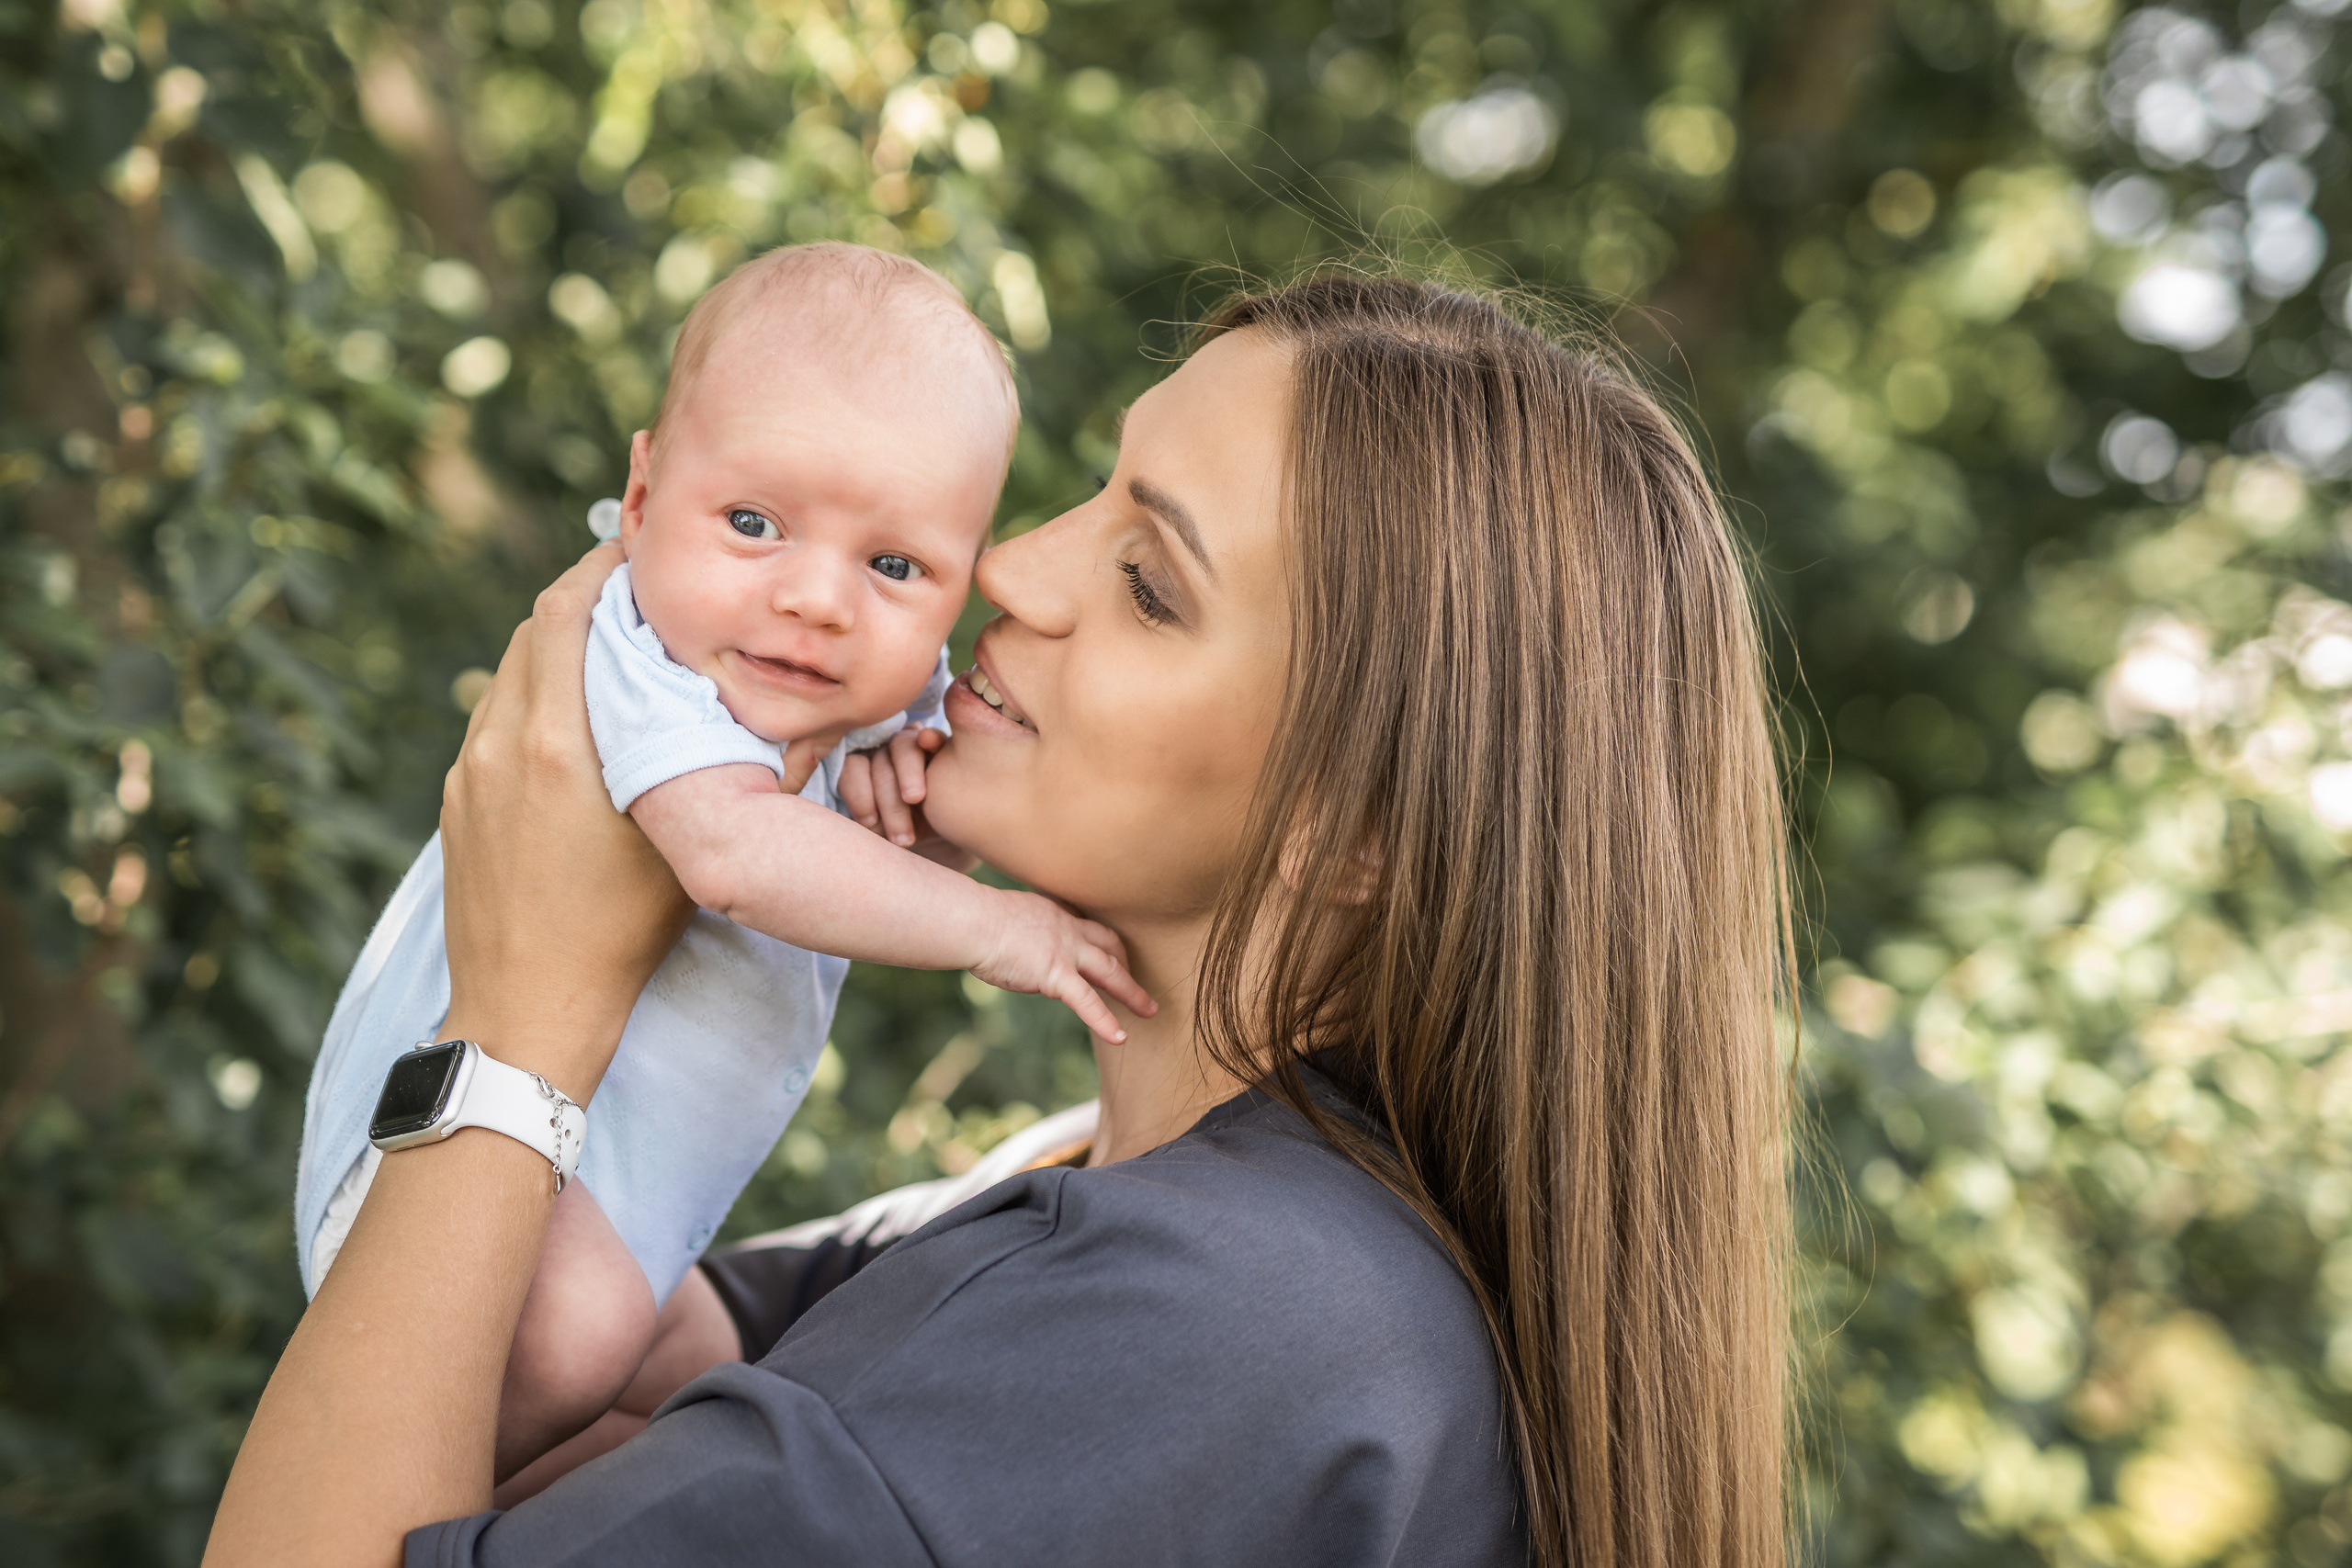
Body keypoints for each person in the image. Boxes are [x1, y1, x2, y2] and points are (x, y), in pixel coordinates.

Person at [206, 272, 1794, 1568]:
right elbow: (633, 1352)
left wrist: (521, 1018)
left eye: (1152, 583)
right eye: (1086, 496)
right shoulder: (1106, 1216)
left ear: (1360, 831)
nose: (1013, 572)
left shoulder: (1185, 1340)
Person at [290, 242, 1148, 1487]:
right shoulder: (638, 655)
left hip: (613, 1188)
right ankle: (366, 1496)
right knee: (581, 1341)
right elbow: (739, 855)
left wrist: (919, 808)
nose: (816, 596)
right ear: (641, 496)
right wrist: (999, 927)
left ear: (961, 577)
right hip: (457, 1148)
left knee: (694, 1368)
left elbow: (850, 850)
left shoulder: (852, 682)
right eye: (753, 523)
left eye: (894, 565)